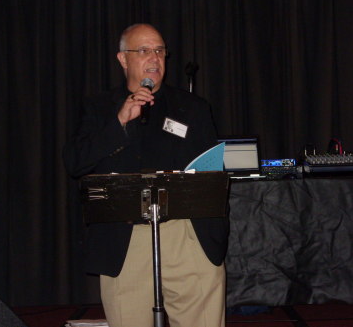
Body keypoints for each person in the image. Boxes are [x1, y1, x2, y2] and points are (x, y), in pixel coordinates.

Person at [63, 23, 229, 327]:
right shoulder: (99, 109)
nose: (154, 58)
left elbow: (212, 174)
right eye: (143, 51)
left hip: (186, 235)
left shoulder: (192, 108)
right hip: (125, 239)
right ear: (123, 59)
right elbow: (75, 163)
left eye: (160, 51)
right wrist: (119, 123)